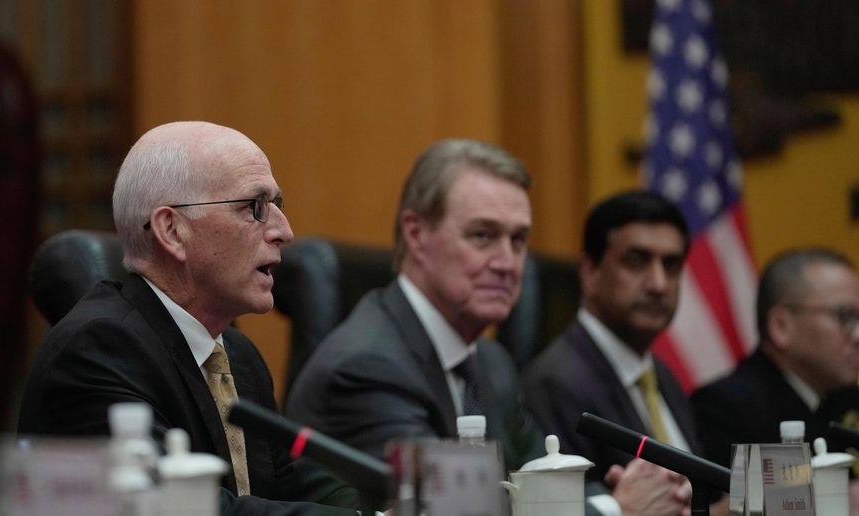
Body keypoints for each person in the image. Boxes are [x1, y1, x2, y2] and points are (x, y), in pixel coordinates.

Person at [286, 141, 691, 516]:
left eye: (518, 240)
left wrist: (622, 496)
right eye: (483, 235)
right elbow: (456, 509)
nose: (507, 262)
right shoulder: (367, 366)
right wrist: (616, 511)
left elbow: (541, 481)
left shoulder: (490, 362)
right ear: (416, 234)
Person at [17, 121, 367, 515]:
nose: (283, 231)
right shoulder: (95, 351)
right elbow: (181, 507)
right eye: (255, 207)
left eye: (277, 206)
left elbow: (290, 485)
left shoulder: (237, 355)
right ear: (171, 230)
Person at [521, 190, 699, 512]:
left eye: (671, 265)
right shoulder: (555, 384)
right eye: (637, 261)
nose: (658, 283)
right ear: (590, 273)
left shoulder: (662, 376)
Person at [691, 248, 859, 469]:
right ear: (781, 326)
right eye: (844, 317)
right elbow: (736, 501)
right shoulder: (723, 412)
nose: (857, 335)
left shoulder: (847, 399)